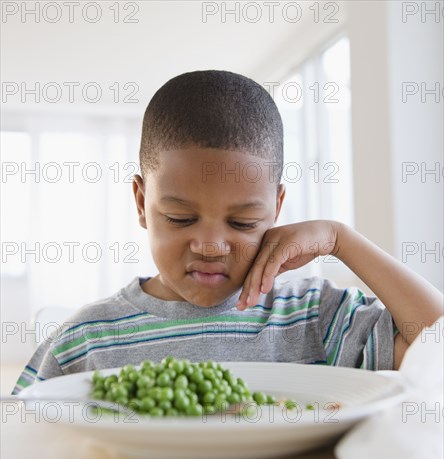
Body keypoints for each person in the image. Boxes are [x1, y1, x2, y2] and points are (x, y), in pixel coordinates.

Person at [12, 70, 443, 394]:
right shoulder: (87, 339)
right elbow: (22, 436)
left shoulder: (314, 316)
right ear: (142, 203)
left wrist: (339, 239)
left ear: (276, 208)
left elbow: (435, 346)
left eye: (242, 223)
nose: (211, 245)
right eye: (181, 218)